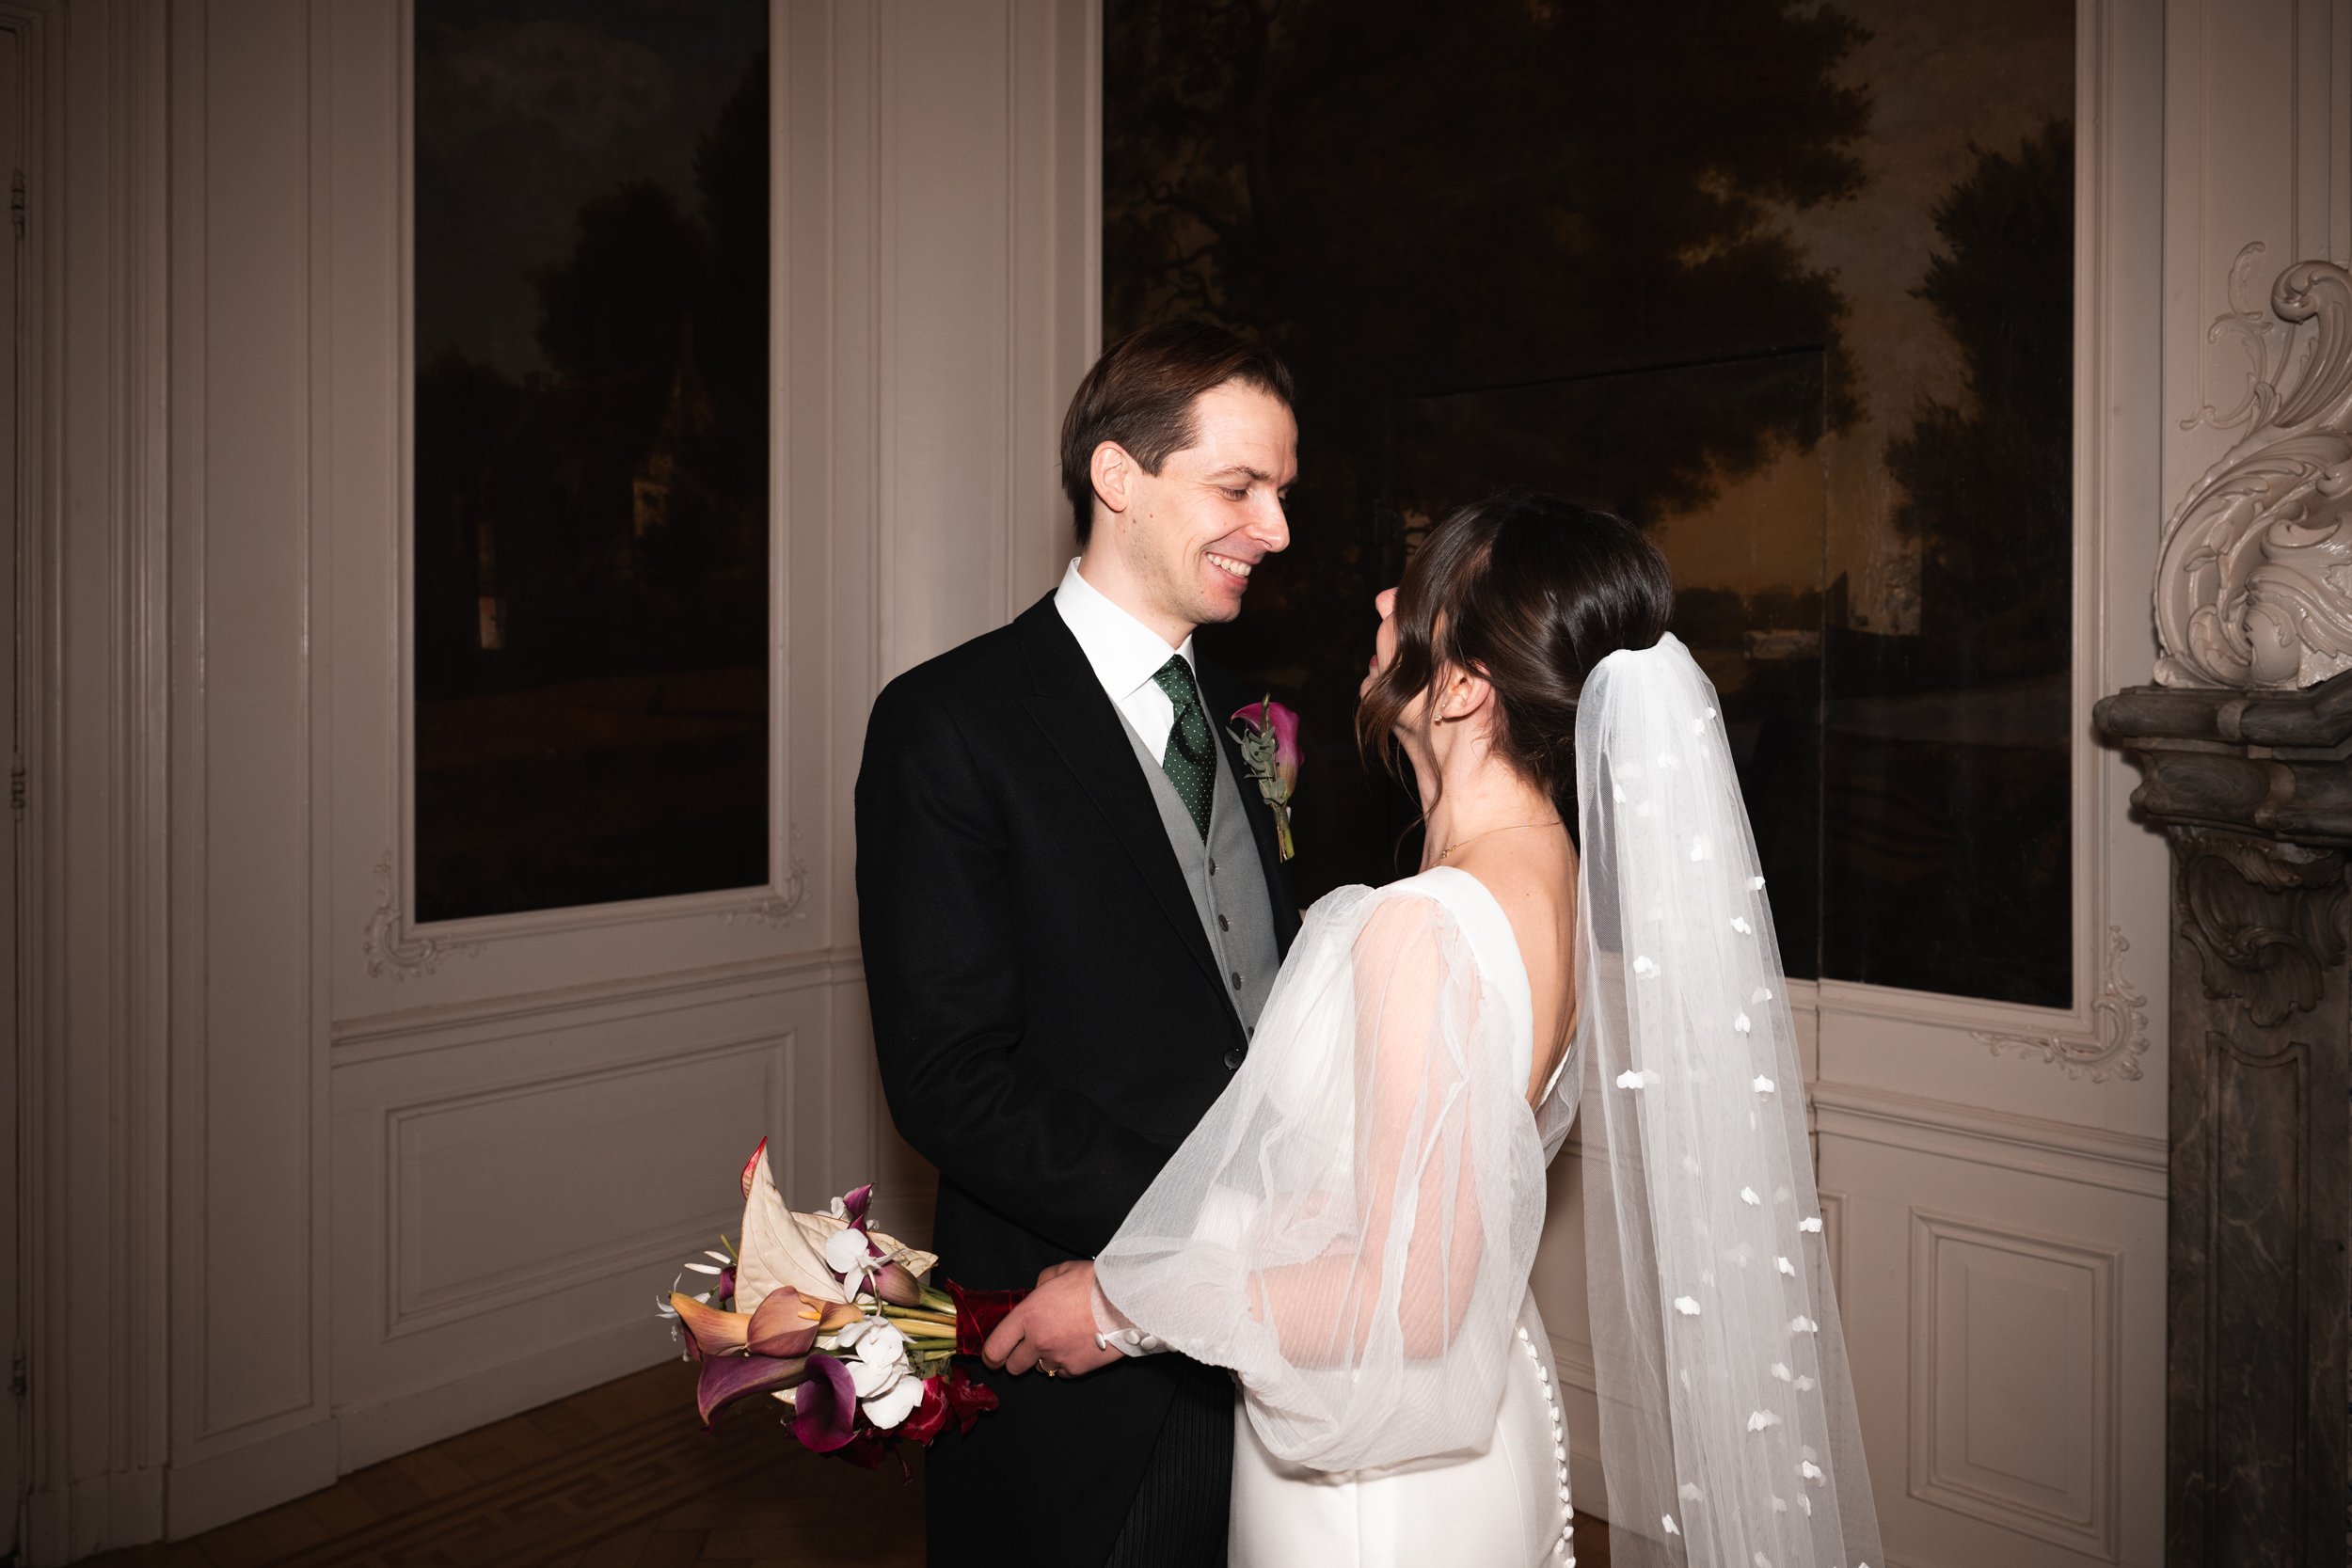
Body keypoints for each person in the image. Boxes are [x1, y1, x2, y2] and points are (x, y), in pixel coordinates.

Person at [985, 496, 1883, 1567]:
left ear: (1461, 684)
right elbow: (1396, 1197)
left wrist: (1121, 1305)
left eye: (1414, 595)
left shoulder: (1419, 925)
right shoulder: (1554, 874)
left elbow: (1405, 1298)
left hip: (1377, 1493)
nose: (1379, 600)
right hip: (1488, 1420)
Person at [855, 321, 1302, 1568]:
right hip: (1072, 1326)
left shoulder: (1262, 720)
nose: (1276, 527)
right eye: (1240, 486)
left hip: (1265, 1336)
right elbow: (951, 1072)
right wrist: (1187, 1244)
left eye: (1281, 491)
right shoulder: (950, 721)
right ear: (1120, 478)